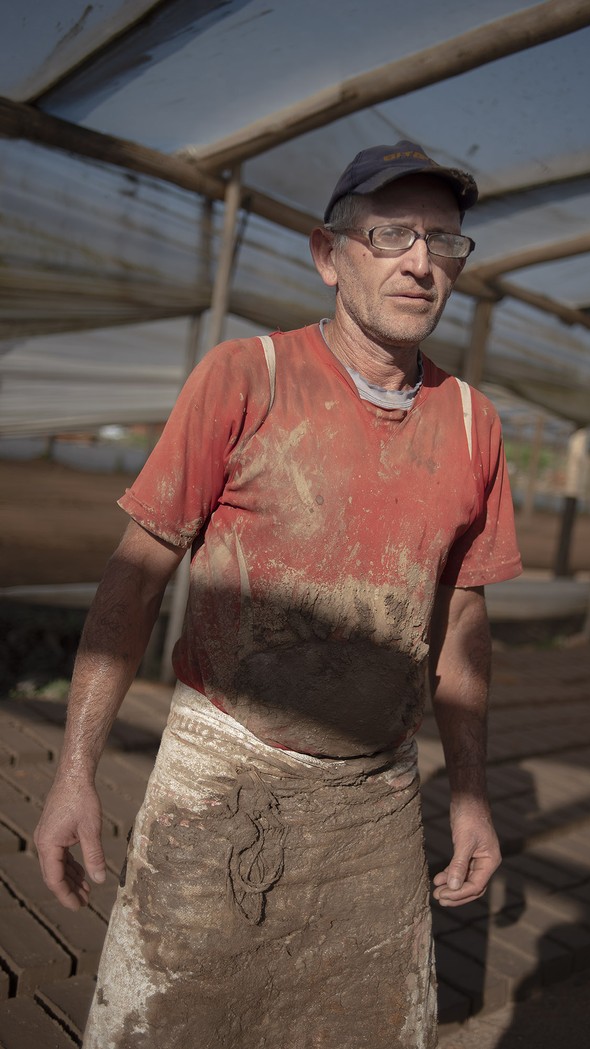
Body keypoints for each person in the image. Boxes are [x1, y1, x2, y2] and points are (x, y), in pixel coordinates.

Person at [34, 140, 522, 1049]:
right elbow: (135, 578)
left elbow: (461, 621)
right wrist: (73, 773)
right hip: (223, 780)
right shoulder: (246, 376)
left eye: (445, 242)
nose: (422, 261)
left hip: (375, 800)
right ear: (328, 255)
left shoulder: (471, 421)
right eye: (391, 235)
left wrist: (470, 795)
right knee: (169, 1026)